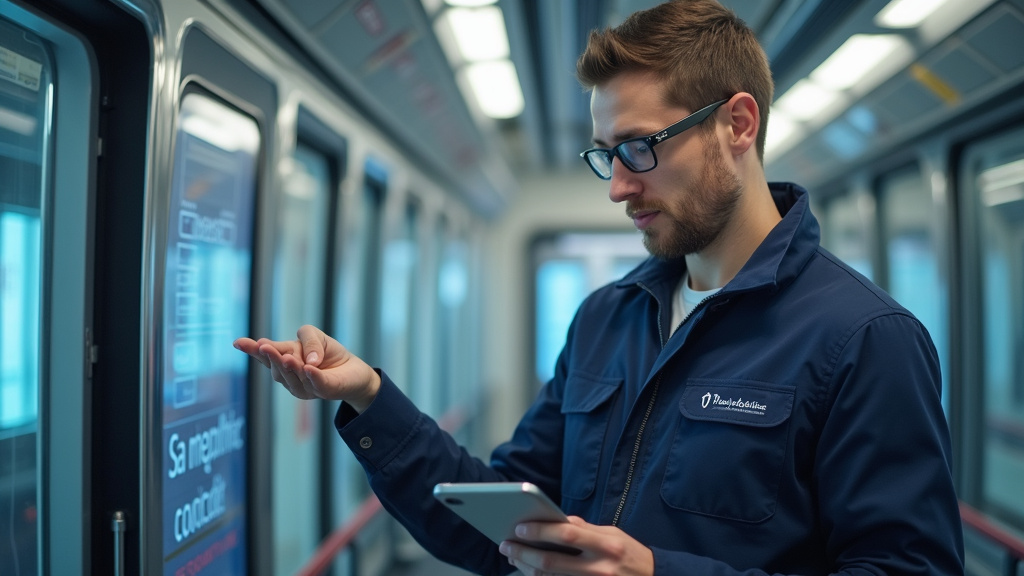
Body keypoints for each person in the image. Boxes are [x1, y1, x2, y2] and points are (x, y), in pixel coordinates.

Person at [234, 1, 965, 574]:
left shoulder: (865, 340)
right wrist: (370, 397)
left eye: (639, 148)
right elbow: (501, 528)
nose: (617, 187)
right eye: (605, 156)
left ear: (737, 124)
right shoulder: (607, 319)